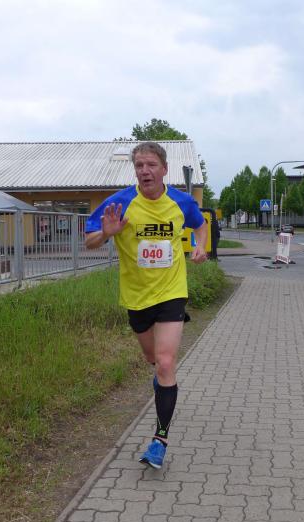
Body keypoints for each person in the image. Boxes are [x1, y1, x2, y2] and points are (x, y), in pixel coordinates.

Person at [84, 142, 208, 469]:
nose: (145, 171)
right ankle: (162, 381)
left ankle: (159, 440)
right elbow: (89, 240)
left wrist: (200, 246)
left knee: (166, 363)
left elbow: (200, 224)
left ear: (164, 169)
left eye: (151, 165)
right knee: (153, 360)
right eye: (139, 165)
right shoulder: (119, 203)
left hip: (171, 291)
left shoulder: (181, 201)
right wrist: (106, 234)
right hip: (137, 296)